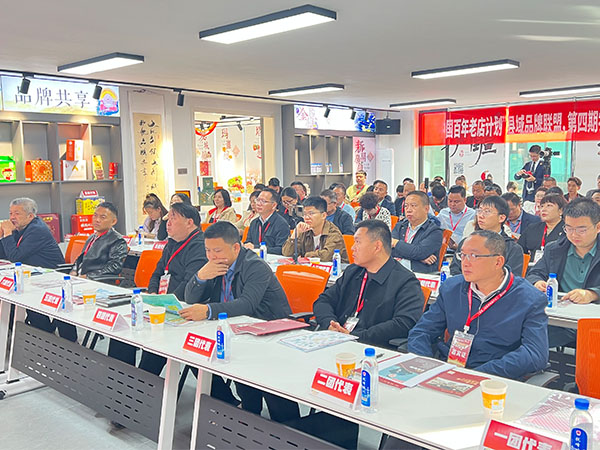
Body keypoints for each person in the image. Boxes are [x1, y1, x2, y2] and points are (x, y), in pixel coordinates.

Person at [182, 221, 298, 422]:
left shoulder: (255, 266)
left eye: (217, 250)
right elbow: (190, 299)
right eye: (208, 250)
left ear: (236, 247)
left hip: (269, 333)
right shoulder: (215, 266)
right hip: (236, 330)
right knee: (195, 355)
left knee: (252, 368)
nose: (211, 256)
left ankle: (282, 425)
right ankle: (231, 406)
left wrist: (209, 310)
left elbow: (247, 305)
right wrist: (200, 276)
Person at [407, 230, 548, 380]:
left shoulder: (529, 299)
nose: (465, 262)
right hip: (448, 370)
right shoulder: (452, 288)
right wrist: (427, 367)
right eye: (462, 255)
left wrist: (478, 374)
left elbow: (535, 353)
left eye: (474, 256)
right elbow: (421, 331)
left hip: (493, 378)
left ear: (498, 262)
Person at [107, 203, 208, 374]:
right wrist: (153, 293)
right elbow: (157, 273)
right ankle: (118, 379)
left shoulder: (199, 246)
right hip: (162, 304)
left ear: (189, 222)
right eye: (168, 219)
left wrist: (164, 302)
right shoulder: (171, 243)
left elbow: (189, 284)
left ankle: (138, 382)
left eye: (173, 219)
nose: (168, 223)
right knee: (124, 328)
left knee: (157, 342)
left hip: (184, 307)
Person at [313, 220, 424, 347]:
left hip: (373, 348)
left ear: (377, 246)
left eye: (358, 242)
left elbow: (404, 323)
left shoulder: (405, 282)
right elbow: (323, 301)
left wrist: (356, 336)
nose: (352, 247)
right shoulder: (353, 271)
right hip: (337, 340)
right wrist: (330, 324)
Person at [0, 197, 76, 342]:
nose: (12, 218)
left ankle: (49, 338)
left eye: (17, 213)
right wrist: (2, 235)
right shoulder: (20, 229)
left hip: (53, 277)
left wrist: (7, 233)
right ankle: (38, 337)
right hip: (33, 277)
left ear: (30, 216)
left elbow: (15, 257)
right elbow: (4, 253)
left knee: (22, 301)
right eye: (10, 213)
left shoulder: (37, 229)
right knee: (10, 300)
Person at [527, 198, 600, 347]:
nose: (574, 235)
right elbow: (535, 273)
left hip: (592, 321)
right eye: (569, 228)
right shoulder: (555, 249)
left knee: (535, 339)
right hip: (560, 318)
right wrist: (537, 282)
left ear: (598, 227)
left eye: (581, 230)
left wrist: (593, 294)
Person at [450, 196, 524, 277]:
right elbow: (454, 270)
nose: (480, 215)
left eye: (487, 212)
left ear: (501, 218)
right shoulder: (467, 243)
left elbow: (511, 278)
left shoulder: (512, 248)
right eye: (479, 211)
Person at [71, 202, 128, 280]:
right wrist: (74, 271)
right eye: (95, 215)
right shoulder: (92, 237)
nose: (97, 220)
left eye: (103, 217)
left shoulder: (117, 241)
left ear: (113, 221)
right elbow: (81, 259)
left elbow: (114, 267)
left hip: (96, 281)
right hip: (80, 277)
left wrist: (88, 276)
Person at [282, 197, 348, 262]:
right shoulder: (305, 230)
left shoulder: (333, 233)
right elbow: (287, 253)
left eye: (311, 213)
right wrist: (295, 233)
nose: (306, 217)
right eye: (304, 214)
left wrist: (305, 256)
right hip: (309, 268)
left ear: (323, 215)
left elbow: (326, 256)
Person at [391, 191, 443, 273]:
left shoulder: (434, 231)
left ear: (426, 209)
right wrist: (418, 258)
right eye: (406, 206)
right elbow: (388, 250)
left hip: (418, 275)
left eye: (413, 206)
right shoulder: (400, 226)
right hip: (395, 272)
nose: (408, 210)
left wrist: (396, 243)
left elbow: (419, 252)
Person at [517, 194, 566, 259]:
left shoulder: (567, 230)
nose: (543, 209)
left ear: (560, 211)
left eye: (549, 205)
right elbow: (519, 250)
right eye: (542, 206)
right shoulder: (532, 228)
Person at [244, 188, 289, 254]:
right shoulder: (254, 223)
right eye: (258, 200)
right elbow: (248, 242)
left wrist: (257, 248)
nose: (258, 204)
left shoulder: (281, 224)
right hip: (254, 258)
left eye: (263, 201)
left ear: (273, 205)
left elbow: (281, 249)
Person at [438, 185, 476, 249]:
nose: (452, 204)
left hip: (464, 250)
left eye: (456, 201)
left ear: (465, 200)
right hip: (444, 250)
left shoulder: (473, 215)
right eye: (450, 201)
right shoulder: (443, 213)